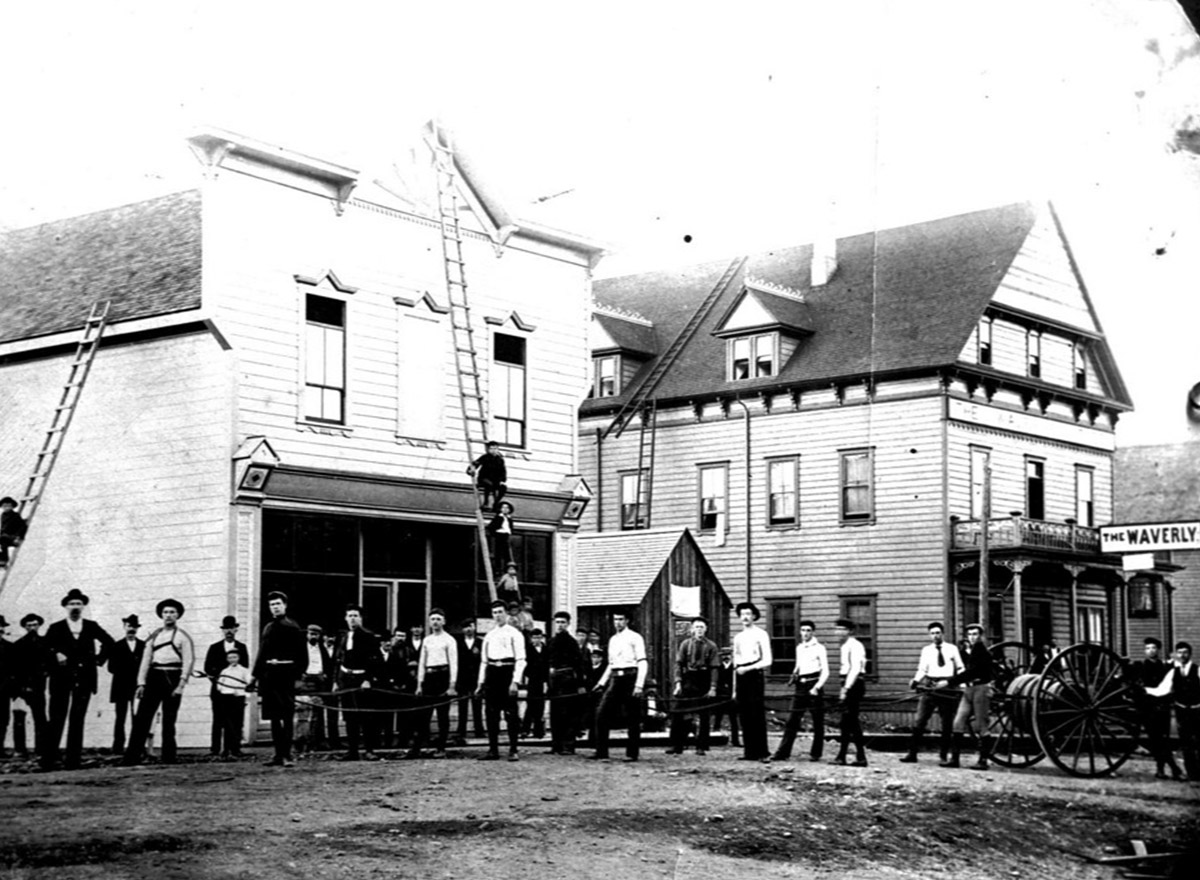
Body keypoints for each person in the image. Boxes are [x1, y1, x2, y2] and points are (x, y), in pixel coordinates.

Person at [43, 587, 115, 769]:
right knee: (57, 717)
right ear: (65, 607)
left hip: (84, 678)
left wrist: (98, 660)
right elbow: (43, 649)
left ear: (83, 606)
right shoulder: (56, 627)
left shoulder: (91, 626)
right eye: (71, 604)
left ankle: (73, 761)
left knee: (77, 718)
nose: (75, 607)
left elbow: (109, 642)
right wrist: (56, 653)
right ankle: (49, 760)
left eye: (78, 604)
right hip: (61, 679)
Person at [122, 598, 195, 765]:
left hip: (173, 678)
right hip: (154, 677)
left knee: (169, 720)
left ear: (178, 615)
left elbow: (188, 662)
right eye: (165, 612)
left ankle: (169, 757)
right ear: (161, 615)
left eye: (172, 612)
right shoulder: (155, 636)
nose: (168, 616)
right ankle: (132, 757)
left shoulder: (183, 637)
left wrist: (181, 685)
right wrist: (141, 683)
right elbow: (145, 660)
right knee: (142, 718)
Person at [248, 591, 308, 767]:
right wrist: (254, 678)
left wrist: (298, 677)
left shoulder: (293, 627)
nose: (275, 607)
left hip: (286, 676)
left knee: (287, 716)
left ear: (285, 605)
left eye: (278, 604)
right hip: (269, 677)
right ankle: (277, 754)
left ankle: (287, 755)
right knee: (274, 717)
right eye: (272, 604)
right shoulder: (267, 628)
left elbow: (302, 656)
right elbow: (262, 654)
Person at [899, 621, 965, 764]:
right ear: (930, 635)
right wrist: (916, 680)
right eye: (932, 633)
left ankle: (943, 756)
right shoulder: (926, 650)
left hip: (947, 687)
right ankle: (912, 754)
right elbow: (922, 669)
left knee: (947, 723)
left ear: (943, 633)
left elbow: (960, 668)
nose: (935, 636)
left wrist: (962, 684)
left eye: (938, 633)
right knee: (920, 720)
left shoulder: (952, 649)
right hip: (930, 686)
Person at [592, 609, 648, 762]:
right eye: (615, 619)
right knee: (601, 714)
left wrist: (639, 685)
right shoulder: (612, 640)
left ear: (627, 620)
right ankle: (601, 752)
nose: (618, 623)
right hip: (616, 679)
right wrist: (601, 683)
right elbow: (611, 664)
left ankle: (632, 753)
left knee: (633, 718)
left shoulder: (635, 638)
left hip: (631, 677)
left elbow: (642, 662)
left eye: (621, 619)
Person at [772, 619, 830, 763]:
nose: (805, 633)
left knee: (817, 721)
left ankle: (816, 753)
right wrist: (794, 674)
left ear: (813, 632)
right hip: (801, 686)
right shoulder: (799, 648)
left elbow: (826, 671)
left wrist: (817, 687)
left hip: (814, 684)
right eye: (803, 630)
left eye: (808, 630)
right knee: (792, 720)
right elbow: (799, 665)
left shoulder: (819, 648)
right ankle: (782, 753)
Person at [476, 599, 526, 761]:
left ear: (506, 613)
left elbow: (521, 659)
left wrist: (515, 681)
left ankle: (513, 749)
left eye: (500, 612)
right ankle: (493, 750)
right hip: (492, 674)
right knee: (491, 713)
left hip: (507, 673)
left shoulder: (514, 633)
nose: (497, 615)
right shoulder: (490, 635)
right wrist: (480, 683)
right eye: (494, 612)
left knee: (511, 714)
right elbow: (484, 661)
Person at [1128, 637, 1184, 780]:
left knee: (1162, 739)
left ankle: (1161, 770)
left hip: (1163, 707)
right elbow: (1134, 686)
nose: (1150, 651)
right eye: (1147, 648)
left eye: (1153, 648)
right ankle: (1174, 769)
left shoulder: (1165, 667)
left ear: (1158, 650)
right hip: (1148, 708)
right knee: (1157, 739)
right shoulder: (1140, 667)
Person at [332, 604, 382, 761]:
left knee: (366, 716)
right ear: (346, 618)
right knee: (349, 716)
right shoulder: (343, 636)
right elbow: (337, 660)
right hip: (346, 680)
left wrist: (368, 679)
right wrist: (336, 681)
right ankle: (352, 751)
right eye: (350, 616)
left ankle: (369, 750)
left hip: (362, 681)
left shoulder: (369, 636)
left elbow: (377, 661)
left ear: (360, 618)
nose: (352, 619)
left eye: (355, 615)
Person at [1146, 640, 1200, 781]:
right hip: (1182, 711)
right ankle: (1193, 775)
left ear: (1190, 654)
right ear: (1176, 654)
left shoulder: (1198, 670)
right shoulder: (1173, 672)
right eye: (1180, 653)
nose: (1182, 655)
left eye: (1185, 653)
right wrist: (1145, 690)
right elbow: (1162, 690)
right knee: (1186, 743)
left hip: (1197, 710)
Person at [409, 608, 458, 759]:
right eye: (432, 619)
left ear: (444, 621)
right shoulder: (427, 640)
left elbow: (454, 663)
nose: (435, 622)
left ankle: (441, 748)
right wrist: (419, 684)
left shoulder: (449, 640)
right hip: (429, 678)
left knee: (443, 715)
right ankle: (417, 748)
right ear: (429, 623)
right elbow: (422, 663)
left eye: (438, 619)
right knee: (423, 715)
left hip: (443, 677)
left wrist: (451, 685)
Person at [667, 616, 719, 756]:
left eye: (702, 627)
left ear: (706, 629)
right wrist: (678, 683)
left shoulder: (711, 646)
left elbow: (714, 668)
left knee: (704, 714)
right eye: (696, 627)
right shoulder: (685, 644)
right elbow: (679, 664)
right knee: (678, 711)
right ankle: (676, 745)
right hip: (688, 679)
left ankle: (701, 746)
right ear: (692, 629)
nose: (699, 630)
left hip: (704, 679)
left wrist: (712, 687)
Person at [945, 622, 993, 770]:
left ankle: (983, 761)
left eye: (975, 634)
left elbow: (971, 673)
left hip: (981, 689)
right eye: (970, 634)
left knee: (981, 726)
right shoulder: (969, 651)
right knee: (958, 722)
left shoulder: (982, 652)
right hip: (969, 690)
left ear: (981, 636)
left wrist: (949, 681)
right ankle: (954, 759)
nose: (972, 637)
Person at [732, 601, 773, 761]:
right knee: (744, 713)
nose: (745, 617)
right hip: (740, 675)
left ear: (754, 616)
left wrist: (748, 669)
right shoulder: (738, 637)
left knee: (756, 713)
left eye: (748, 614)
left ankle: (762, 752)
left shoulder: (761, 634)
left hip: (754, 675)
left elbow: (767, 660)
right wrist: (735, 687)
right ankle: (749, 752)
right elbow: (736, 660)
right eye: (742, 614)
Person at [203, 615, 249, 756]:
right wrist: (219, 681)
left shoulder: (241, 647)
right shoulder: (215, 648)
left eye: (232, 628)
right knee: (219, 719)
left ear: (236, 629)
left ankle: (235, 748)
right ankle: (215, 749)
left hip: (236, 691)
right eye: (226, 628)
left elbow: (245, 667)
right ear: (222, 631)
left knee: (236, 719)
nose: (229, 631)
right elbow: (207, 668)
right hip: (219, 690)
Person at [546, 611, 587, 755]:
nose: (560, 625)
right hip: (554, 681)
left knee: (568, 714)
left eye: (563, 622)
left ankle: (568, 745)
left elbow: (579, 665)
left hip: (568, 680)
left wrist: (581, 684)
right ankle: (556, 745)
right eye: (557, 622)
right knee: (555, 713)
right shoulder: (550, 642)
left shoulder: (571, 642)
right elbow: (546, 663)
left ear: (568, 624)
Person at [10, 614, 50, 759]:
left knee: (40, 718)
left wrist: (45, 675)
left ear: (39, 625)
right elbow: (14, 669)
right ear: (24, 627)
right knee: (19, 718)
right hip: (21, 688)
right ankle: (20, 749)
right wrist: (19, 688)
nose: (32, 628)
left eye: (35, 625)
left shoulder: (45, 643)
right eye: (29, 625)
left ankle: (41, 749)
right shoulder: (18, 645)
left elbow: (49, 665)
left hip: (39, 687)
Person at [107, 614, 145, 754]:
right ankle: (118, 747)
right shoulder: (117, 646)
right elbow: (111, 667)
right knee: (120, 717)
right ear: (124, 627)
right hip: (121, 686)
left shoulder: (143, 645)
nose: (132, 629)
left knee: (138, 717)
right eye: (129, 626)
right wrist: (127, 668)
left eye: (134, 627)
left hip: (137, 687)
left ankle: (136, 747)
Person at [833, 617, 869, 767]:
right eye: (837, 629)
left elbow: (854, 669)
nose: (839, 632)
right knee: (848, 722)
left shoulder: (855, 645)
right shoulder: (844, 646)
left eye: (843, 629)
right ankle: (844, 756)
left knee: (850, 721)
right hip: (848, 683)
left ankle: (858, 757)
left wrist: (845, 689)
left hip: (854, 684)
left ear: (850, 631)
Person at [295, 624, 333, 754]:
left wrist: (325, 675)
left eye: (316, 634)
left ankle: (316, 742)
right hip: (305, 681)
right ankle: (300, 742)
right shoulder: (300, 648)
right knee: (303, 711)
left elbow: (328, 665)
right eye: (311, 634)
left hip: (319, 682)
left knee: (318, 714)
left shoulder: (322, 649)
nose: (313, 637)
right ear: (307, 634)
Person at [214, 648, 251, 759]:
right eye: (230, 657)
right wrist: (226, 691)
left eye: (234, 657)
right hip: (226, 699)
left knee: (237, 724)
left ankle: (236, 749)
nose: (232, 660)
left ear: (239, 658)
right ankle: (226, 749)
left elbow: (248, 683)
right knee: (227, 724)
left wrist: (239, 690)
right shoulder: (225, 671)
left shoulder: (244, 670)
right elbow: (219, 685)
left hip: (238, 698)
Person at [455, 618, 485, 743]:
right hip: (462, 678)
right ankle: (461, 731)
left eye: (470, 626)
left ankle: (479, 730)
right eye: (465, 627)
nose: (468, 629)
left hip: (476, 678)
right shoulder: (458, 643)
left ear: (474, 628)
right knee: (462, 705)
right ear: (462, 630)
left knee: (477, 704)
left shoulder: (480, 643)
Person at [522, 628, 548, 739]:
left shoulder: (546, 649)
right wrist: (527, 677)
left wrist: (547, 681)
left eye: (538, 637)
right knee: (530, 705)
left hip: (543, 680)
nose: (536, 640)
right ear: (531, 639)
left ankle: (539, 731)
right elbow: (525, 665)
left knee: (540, 706)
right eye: (534, 637)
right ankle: (525, 730)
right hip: (532, 679)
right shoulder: (527, 650)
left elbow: (547, 664)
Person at [711, 647, 740, 747]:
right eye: (724, 655)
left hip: (731, 696)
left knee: (733, 719)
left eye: (728, 655)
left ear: (731, 656)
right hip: (720, 696)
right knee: (718, 717)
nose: (726, 657)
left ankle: (735, 741)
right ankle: (715, 738)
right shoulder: (718, 668)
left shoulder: (734, 668)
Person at [468, 440, 507, 510]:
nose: (493, 451)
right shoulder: (485, 457)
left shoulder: (500, 460)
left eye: (495, 449)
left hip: (495, 480)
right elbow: (476, 463)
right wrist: (471, 470)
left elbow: (503, 471)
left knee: (503, 488)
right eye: (491, 449)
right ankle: (486, 503)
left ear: (498, 449)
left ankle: (496, 503)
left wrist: (502, 480)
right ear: (488, 449)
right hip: (484, 478)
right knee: (489, 484)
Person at [322, 632, 342, 749]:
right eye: (328, 636)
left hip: (334, 684)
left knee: (333, 713)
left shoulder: (338, 650)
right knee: (317, 714)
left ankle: (334, 741)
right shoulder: (318, 649)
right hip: (320, 683)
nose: (330, 639)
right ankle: (319, 741)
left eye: (333, 636)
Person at [486, 502, 516, 573]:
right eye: (503, 507)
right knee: (498, 552)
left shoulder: (509, 518)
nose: (505, 509)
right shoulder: (498, 517)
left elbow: (510, 527)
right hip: (499, 534)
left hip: (506, 535)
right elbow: (491, 527)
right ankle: (497, 568)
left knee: (507, 553)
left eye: (507, 508)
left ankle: (507, 568)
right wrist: (494, 533)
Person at [0, 496, 28, 567]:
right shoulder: (3, 515)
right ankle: (2, 559)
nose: (6, 508)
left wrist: (18, 537)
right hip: (5, 537)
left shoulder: (15, 515)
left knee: (3, 540)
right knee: (3, 542)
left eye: (9, 506)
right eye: (4, 506)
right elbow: (3, 527)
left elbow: (23, 527)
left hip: (13, 538)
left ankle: (4, 560)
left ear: (12, 506)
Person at [0, 616, 12, 757]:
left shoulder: (9, 647)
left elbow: (13, 670)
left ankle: (0, 748)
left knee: (2, 720)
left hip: (3, 690)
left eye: (1, 627)